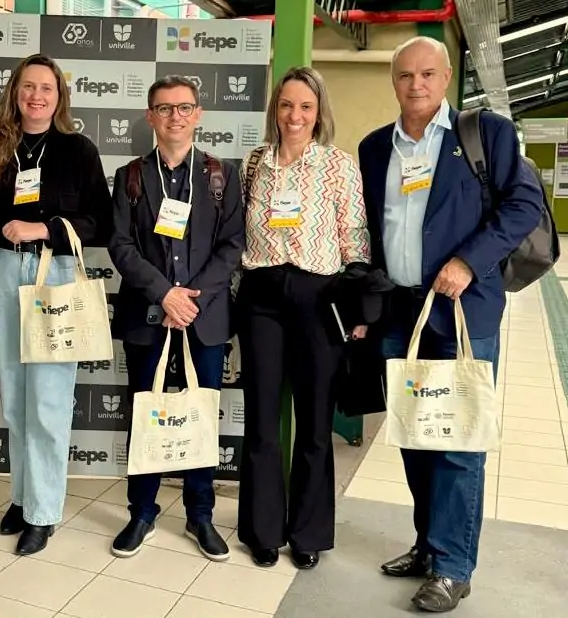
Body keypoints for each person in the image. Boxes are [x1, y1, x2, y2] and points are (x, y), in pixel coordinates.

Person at [358, 36, 542, 612]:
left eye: (428, 74)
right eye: (405, 75)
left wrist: (467, 261)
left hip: (463, 311)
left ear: (445, 79)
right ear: (394, 81)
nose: (416, 84)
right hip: (400, 311)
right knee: (416, 433)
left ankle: (453, 567)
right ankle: (427, 544)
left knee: (459, 440)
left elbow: (524, 206)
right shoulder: (374, 148)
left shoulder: (485, 135)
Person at [0, 54, 111, 556]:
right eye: (28, 86)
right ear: (15, 92)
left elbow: (100, 222)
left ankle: (43, 513)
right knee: (16, 400)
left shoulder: (78, 149)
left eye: (46, 88)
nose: (36, 96)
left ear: (59, 97)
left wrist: (43, 228)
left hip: (55, 275)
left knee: (48, 401)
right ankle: (22, 496)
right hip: (1, 274)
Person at [236, 67, 371, 571]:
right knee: (262, 420)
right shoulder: (254, 164)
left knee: (315, 423)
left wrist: (358, 308)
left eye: (306, 107)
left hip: (320, 297)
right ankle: (263, 530)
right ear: (275, 109)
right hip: (261, 298)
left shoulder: (337, 164)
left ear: (319, 113)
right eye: (287, 105)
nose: (295, 116)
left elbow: (354, 234)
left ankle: (308, 532)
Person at [108, 76, 244, 560]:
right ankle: (141, 512)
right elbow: (120, 244)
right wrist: (165, 294)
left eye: (184, 107)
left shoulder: (222, 174)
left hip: (204, 317)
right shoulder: (129, 176)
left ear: (198, 114)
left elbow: (232, 245)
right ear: (150, 116)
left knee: (200, 415)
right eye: (164, 108)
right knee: (145, 413)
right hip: (148, 314)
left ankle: (200, 515)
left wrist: (190, 300)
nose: (175, 117)